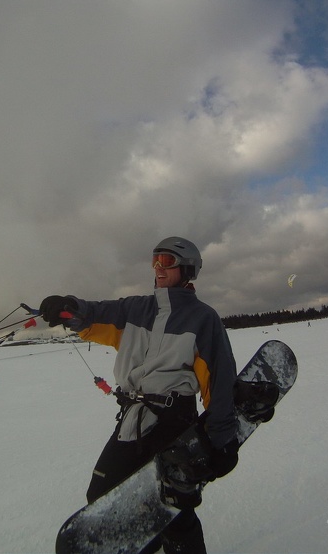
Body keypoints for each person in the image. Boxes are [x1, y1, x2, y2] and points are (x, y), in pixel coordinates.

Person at [40, 236, 239, 554]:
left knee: (174, 505)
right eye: (155, 260)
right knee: (105, 495)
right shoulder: (134, 309)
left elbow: (219, 381)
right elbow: (92, 315)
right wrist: (68, 308)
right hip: (134, 418)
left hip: (176, 420)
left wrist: (222, 439)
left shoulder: (203, 318)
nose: (159, 267)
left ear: (187, 268)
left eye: (167, 261)